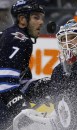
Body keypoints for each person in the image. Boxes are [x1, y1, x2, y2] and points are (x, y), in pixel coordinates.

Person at [0, 0, 45, 129]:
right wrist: (20, 107)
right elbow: (5, 83)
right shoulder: (19, 39)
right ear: (22, 19)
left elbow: (18, 81)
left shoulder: (12, 35)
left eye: (41, 18)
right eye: (36, 17)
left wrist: (40, 86)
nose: (41, 22)